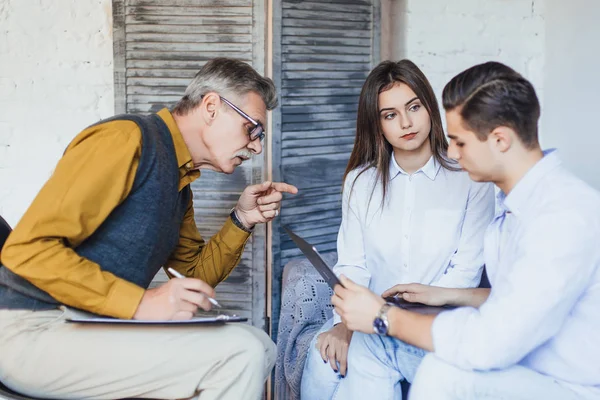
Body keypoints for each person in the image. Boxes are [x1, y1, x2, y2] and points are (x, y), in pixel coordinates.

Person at [0, 57, 298, 400]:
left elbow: (194, 274)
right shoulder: (126, 139)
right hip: (30, 327)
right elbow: (26, 249)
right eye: (253, 129)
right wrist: (140, 303)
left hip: (85, 325)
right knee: (239, 354)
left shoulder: (178, 181)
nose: (257, 147)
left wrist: (242, 220)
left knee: (260, 345)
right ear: (212, 106)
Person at [331, 61, 600, 400]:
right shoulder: (520, 204)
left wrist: (385, 316)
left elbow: (491, 341)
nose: (452, 153)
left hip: (565, 384)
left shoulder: (561, 216)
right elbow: (518, 299)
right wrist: (447, 294)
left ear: (500, 140)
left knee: (442, 373)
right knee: (373, 348)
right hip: (522, 362)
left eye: (460, 142)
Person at [301, 60, 495, 399]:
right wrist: (343, 325)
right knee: (321, 361)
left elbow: (465, 271)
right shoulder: (360, 182)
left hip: (434, 321)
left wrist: (398, 321)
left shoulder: (469, 178)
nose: (406, 123)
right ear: (377, 125)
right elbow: (353, 265)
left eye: (413, 107)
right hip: (365, 314)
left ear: (429, 108)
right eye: (390, 115)